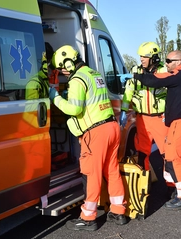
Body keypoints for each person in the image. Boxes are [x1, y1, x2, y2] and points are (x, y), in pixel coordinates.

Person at [49, 45, 127, 231]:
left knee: (92, 174)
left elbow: (74, 109)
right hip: (111, 126)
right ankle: (118, 211)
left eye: (62, 69)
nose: (63, 73)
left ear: (68, 63)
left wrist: (55, 97)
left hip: (96, 132)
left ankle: (88, 217)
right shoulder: (93, 73)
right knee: (112, 170)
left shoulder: (77, 80)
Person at [133, 50, 181, 210]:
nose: (166, 63)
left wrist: (137, 77)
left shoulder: (178, 75)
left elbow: (155, 81)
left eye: (168, 61)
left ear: (178, 62)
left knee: (172, 157)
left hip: (180, 123)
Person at [120, 42, 175, 195]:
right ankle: (143, 185)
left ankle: (171, 186)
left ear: (154, 58)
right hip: (142, 119)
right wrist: (124, 110)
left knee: (167, 154)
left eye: (145, 56)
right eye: (141, 56)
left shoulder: (165, 71)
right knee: (142, 153)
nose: (141, 59)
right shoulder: (135, 70)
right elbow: (129, 91)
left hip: (160, 118)